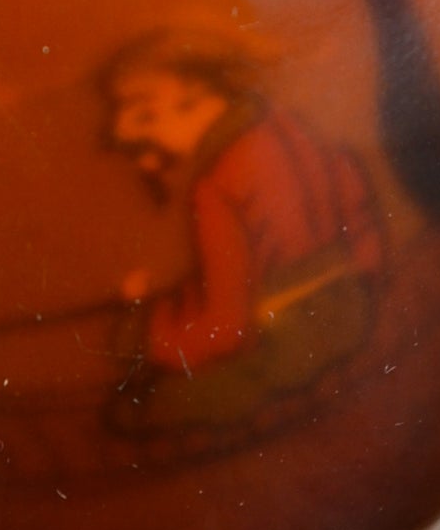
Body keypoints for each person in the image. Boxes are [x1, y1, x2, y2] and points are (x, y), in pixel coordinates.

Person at [101, 28, 385, 437]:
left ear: (195, 97)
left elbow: (225, 330)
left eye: (147, 118)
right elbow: (357, 202)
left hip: (285, 346)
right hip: (354, 313)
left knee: (134, 409)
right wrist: (362, 278)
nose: (144, 148)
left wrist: (141, 327)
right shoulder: (290, 126)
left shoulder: (217, 186)